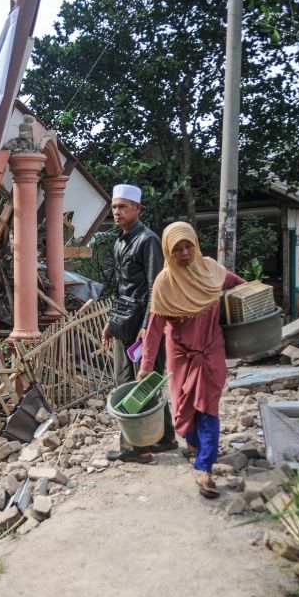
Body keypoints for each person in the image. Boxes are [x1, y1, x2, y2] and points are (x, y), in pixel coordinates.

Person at [137, 221, 245, 498]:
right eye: (177, 249)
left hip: (211, 351)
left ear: (196, 246)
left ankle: (205, 469)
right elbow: (154, 330)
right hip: (181, 355)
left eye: (189, 247)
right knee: (183, 411)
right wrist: (146, 367)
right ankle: (194, 444)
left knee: (208, 408)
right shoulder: (164, 284)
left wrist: (260, 298)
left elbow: (238, 285)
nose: (185, 254)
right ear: (167, 252)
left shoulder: (210, 269)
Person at [101, 184, 177, 464]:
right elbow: (122, 289)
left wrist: (148, 325)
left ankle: (137, 449)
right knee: (128, 380)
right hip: (124, 321)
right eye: (114, 207)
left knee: (140, 383)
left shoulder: (148, 240)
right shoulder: (120, 241)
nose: (117, 212)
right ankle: (165, 438)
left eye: (122, 207)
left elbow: (156, 287)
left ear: (137, 209)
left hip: (144, 324)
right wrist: (111, 323)